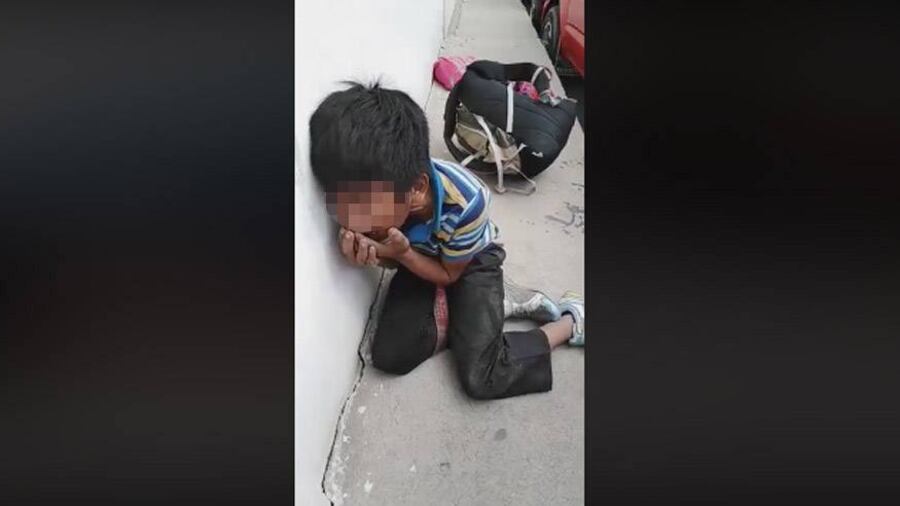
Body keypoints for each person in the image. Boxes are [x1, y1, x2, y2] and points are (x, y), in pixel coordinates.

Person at [308, 81, 584, 399]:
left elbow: (448, 274)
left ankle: (570, 319)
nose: (351, 218)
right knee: (391, 355)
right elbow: (390, 256)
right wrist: (373, 255)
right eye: (340, 203)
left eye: (362, 205)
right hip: (418, 255)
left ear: (416, 189)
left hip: (470, 262)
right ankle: (483, 309)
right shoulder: (376, 196)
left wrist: (402, 254)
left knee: (483, 375)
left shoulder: (468, 200)